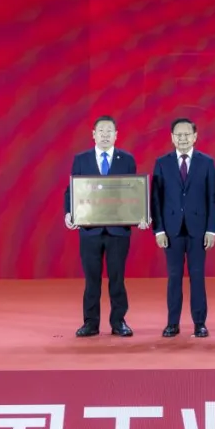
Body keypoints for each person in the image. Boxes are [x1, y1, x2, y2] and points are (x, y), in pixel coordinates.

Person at [64, 116, 146, 337]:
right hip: (90, 230)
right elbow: (72, 191)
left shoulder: (126, 159)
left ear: (116, 135)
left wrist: (141, 215)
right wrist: (69, 214)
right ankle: (90, 323)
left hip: (118, 230)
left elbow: (134, 192)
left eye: (109, 131)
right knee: (92, 280)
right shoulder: (81, 159)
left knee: (117, 279)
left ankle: (118, 322)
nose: (105, 135)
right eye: (101, 131)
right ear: (93, 134)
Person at [151, 118, 215, 338]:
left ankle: (200, 323)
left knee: (197, 277)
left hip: (198, 230)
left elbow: (213, 198)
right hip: (171, 230)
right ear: (172, 138)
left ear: (195, 136)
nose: (182, 138)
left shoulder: (206, 162)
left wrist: (211, 230)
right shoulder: (162, 163)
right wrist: (159, 230)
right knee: (174, 277)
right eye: (178, 135)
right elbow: (156, 200)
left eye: (186, 134)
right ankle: (172, 323)